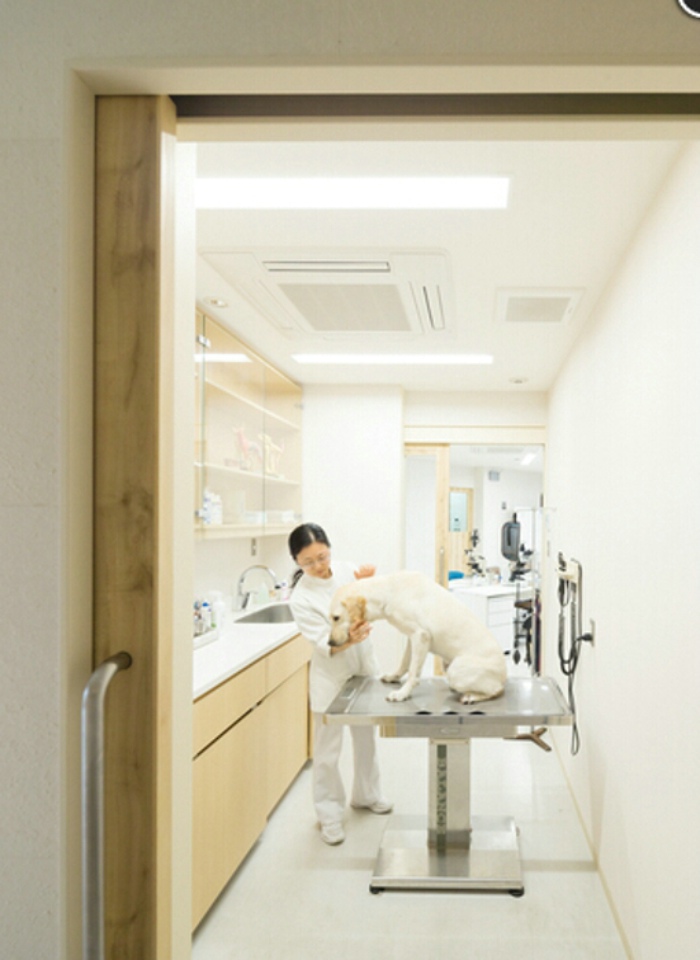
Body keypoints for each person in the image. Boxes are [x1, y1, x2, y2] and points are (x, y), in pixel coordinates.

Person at [288, 522, 393, 845]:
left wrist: (369, 583)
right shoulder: (301, 598)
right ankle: (329, 814)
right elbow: (325, 642)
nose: (319, 566)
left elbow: (367, 605)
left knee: (366, 738)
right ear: (297, 562)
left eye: (322, 556)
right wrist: (349, 639)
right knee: (327, 752)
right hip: (331, 676)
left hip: (362, 666)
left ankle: (367, 795)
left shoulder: (346, 571)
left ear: (329, 549)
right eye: (309, 562)